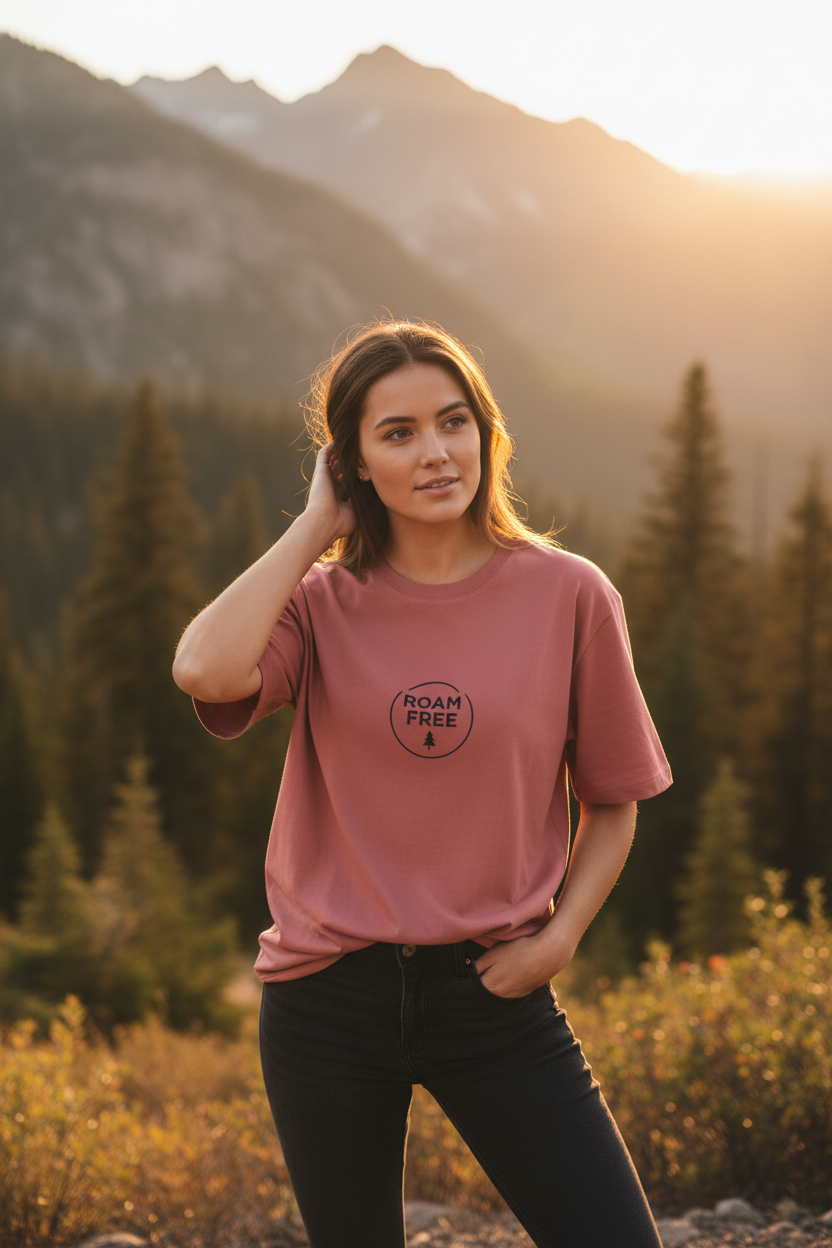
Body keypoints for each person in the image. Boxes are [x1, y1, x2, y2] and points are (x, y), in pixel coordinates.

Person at [172, 321, 672, 1248]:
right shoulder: (320, 605)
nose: (436, 452)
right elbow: (204, 669)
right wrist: (315, 528)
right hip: (326, 999)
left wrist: (559, 940)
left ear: (487, 431)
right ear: (352, 462)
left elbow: (615, 798)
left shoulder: (571, 595)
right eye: (396, 433)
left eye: (453, 421)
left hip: (497, 992)